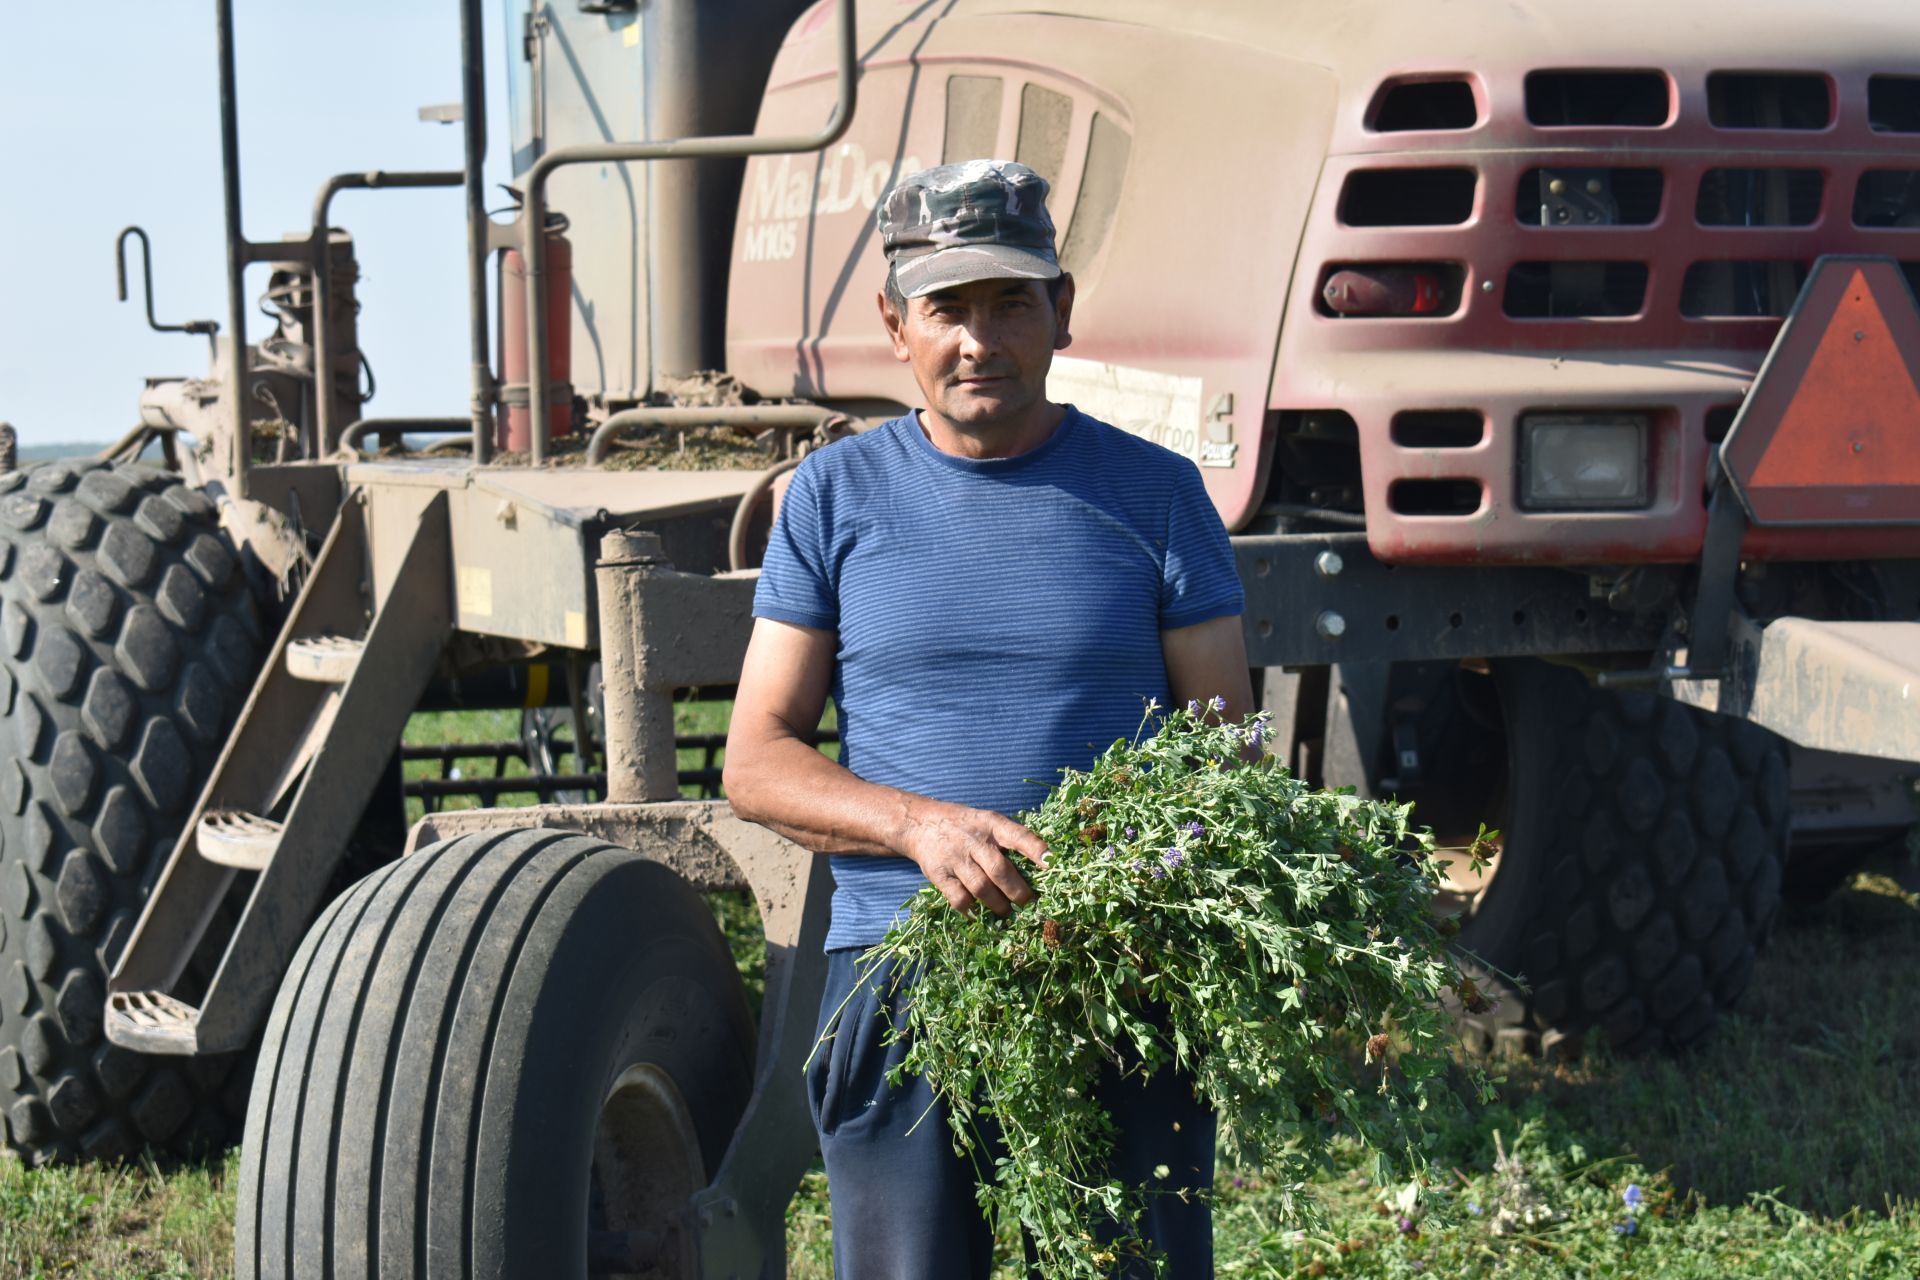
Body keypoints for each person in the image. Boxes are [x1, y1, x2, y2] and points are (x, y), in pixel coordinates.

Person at [723, 158, 1253, 1278]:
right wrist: (920, 827)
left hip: (1114, 962)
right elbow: (758, 759)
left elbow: (1225, 753)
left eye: (1012, 300)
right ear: (894, 322)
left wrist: (1119, 882)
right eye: (947, 307)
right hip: (902, 963)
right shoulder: (832, 495)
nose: (981, 338)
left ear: (1062, 310)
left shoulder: (1156, 495)